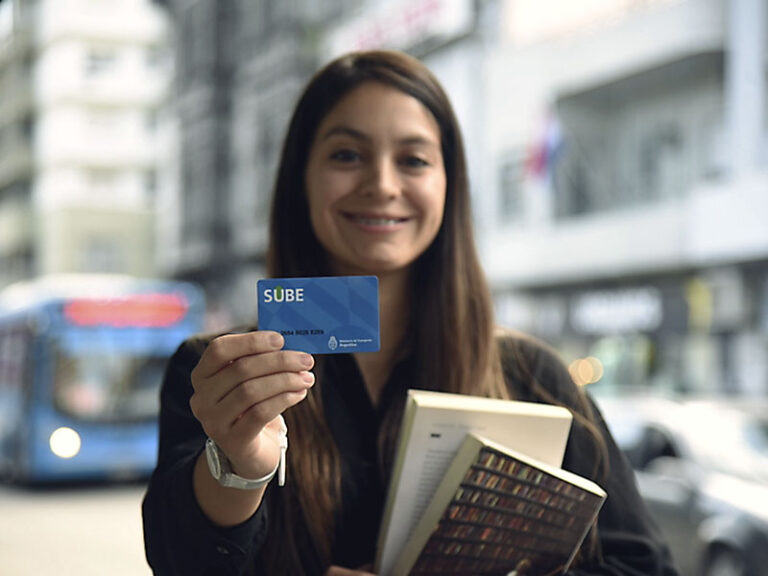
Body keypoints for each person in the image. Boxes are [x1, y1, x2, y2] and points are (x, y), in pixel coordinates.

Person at [142, 50, 679, 576]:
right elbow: (180, 562)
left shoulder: (531, 375)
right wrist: (239, 466)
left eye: (414, 159)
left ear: (450, 184)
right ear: (300, 177)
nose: (382, 184)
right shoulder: (223, 372)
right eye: (346, 155)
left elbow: (642, 565)